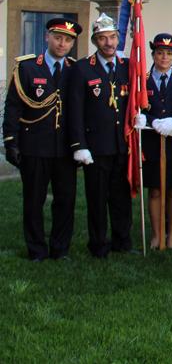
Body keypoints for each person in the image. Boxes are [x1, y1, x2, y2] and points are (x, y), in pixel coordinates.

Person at [3, 17, 80, 261]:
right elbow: (13, 107)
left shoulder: (74, 70)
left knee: (65, 201)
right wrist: (10, 141)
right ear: (47, 37)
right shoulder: (27, 68)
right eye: (58, 37)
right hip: (35, 145)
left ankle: (60, 249)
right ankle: (36, 249)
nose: (62, 43)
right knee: (34, 201)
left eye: (67, 40)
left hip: (65, 148)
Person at [67, 13, 133, 258]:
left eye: (113, 37)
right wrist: (78, 145)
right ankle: (98, 244)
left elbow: (135, 100)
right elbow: (75, 110)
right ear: (95, 41)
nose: (109, 43)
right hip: (95, 146)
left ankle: (122, 241)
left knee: (121, 197)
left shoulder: (127, 67)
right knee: (96, 198)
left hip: (122, 144)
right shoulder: (83, 69)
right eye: (103, 38)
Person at [140, 33, 172, 249]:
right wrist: (149, 119)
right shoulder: (143, 80)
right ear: (153, 54)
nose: (164, 58)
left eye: (169, 53)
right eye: (160, 53)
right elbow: (138, 109)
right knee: (155, 190)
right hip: (152, 141)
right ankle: (157, 234)